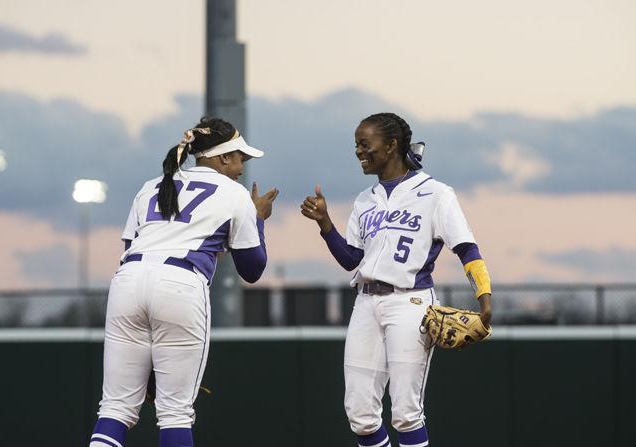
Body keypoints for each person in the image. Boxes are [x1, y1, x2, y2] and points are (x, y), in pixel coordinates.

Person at [300, 112, 492, 447]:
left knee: (405, 411)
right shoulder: (365, 200)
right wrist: (325, 224)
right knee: (360, 414)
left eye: (365, 143)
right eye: (356, 144)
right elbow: (351, 261)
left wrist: (484, 296)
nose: (359, 151)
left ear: (391, 146)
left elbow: (466, 248)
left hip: (410, 301)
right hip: (366, 302)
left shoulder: (435, 193)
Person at [89, 117, 279, 447]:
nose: (240, 167)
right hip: (179, 284)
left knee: (116, 408)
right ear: (222, 158)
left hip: (128, 282)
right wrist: (258, 219)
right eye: (238, 158)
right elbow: (252, 269)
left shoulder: (151, 185)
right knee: (175, 412)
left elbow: (129, 248)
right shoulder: (235, 195)